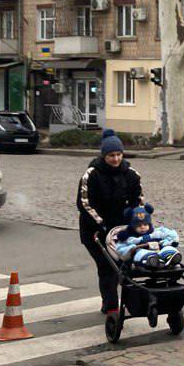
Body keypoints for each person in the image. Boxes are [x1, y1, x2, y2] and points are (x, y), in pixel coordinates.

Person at [76, 129, 144, 314]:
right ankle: (111, 306)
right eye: (111, 155)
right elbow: (85, 204)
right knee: (107, 267)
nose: (115, 159)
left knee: (128, 266)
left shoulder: (131, 174)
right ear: (104, 155)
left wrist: (136, 221)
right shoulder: (91, 175)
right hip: (95, 231)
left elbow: (138, 200)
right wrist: (101, 225)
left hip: (121, 229)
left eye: (118, 155)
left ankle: (133, 303)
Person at [114, 204, 182, 269]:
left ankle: (170, 256)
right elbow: (121, 249)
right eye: (139, 225)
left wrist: (168, 241)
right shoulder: (130, 238)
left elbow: (170, 234)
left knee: (168, 248)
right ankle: (151, 260)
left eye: (145, 224)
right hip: (142, 252)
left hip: (159, 251)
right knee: (141, 253)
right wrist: (132, 249)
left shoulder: (155, 233)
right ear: (133, 227)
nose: (143, 227)